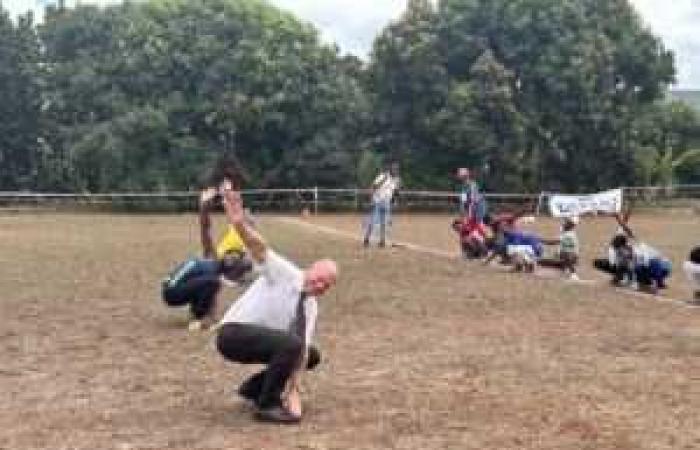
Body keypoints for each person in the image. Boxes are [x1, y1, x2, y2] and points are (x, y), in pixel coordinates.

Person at [215, 185, 338, 424]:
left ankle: (254, 389)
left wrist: (293, 389)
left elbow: (300, 354)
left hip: (263, 342)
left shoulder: (310, 307)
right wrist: (240, 225)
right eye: (320, 278)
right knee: (293, 344)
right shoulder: (285, 273)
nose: (321, 285)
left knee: (310, 354)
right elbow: (260, 248)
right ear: (310, 269)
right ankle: (267, 405)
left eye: (328, 285)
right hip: (232, 334)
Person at [161, 187, 253, 331]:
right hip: (172, 292)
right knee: (212, 283)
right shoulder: (213, 263)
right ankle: (198, 318)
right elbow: (206, 229)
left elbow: (206, 229)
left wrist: (204, 205)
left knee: (209, 284)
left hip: (172, 288)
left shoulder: (212, 258)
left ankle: (198, 314)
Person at [363, 162, 400, 248]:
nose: (396, 170)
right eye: (394, 168)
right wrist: (371, 200)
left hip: (386, 203)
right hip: (377, 201)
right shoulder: (383, 176)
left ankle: (382, 241)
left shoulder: (396, 180)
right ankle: (366, 239)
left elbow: (395, 192)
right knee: (373, 222)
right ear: (390, 169)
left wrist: (394, 201)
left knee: (384, 223)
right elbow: (374, 186)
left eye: (397, 169)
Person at [539, 216, 580, 280]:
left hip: (570, 258)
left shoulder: (568, 234)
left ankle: (572, 273)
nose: (563, 224)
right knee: (543, 261)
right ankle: (563, 269)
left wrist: (540, 240)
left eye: (566, 222)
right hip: (566, 258)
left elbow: (553, 242)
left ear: (570, 225)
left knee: (566, 254)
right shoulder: (566, 233)